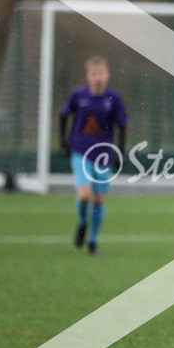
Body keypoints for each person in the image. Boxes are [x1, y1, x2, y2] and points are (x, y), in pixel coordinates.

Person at [59, 56, 127, 256]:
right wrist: (63, 141)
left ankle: (93, 240)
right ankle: (82, 222)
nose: (98, 77)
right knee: (84, 195)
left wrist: (119, 152)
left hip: (103, 155)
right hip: (81, 151)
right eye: (94, 73)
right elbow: (63, 115)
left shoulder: (114, 98)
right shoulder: (78, 95)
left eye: (101, 73)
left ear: (108, 75)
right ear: (87, 76)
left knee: (98, 199)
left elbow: (122, 125)